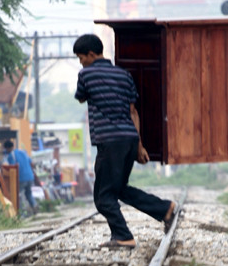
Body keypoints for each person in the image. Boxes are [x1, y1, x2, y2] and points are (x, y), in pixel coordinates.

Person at [73, 33, 175, 249]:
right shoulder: (124, 75)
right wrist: (139, 145)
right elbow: (133, 111)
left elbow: (81, 97)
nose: (81, 62)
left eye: (81, 58)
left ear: (91, 54)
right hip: (129, 139)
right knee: (118, 189)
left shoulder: (86, 75)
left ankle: (123, 236)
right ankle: (164, 209)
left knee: (102, 197)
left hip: (109, 142)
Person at [2, 139, 37, 214]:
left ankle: (21, 213)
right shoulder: (23, 152)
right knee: (28, 193)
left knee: (18, 196)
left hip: (21, 178)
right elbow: (32, 163)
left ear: (7, 148)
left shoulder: (11, 155)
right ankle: (35, 207)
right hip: (30, 177)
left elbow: (12, 168)